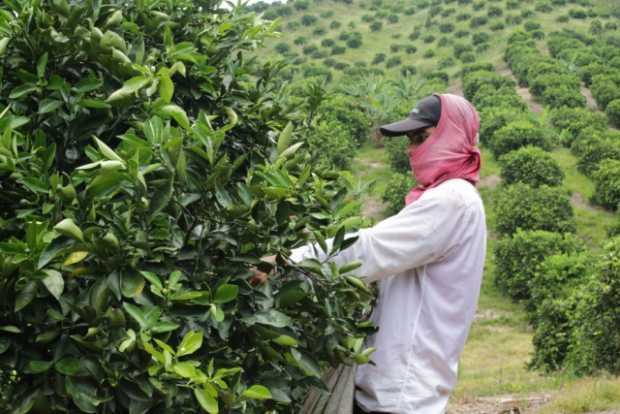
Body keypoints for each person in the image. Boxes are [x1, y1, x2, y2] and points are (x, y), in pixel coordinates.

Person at [253, 93, 487, 414]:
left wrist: (286, 260)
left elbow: (370, 250)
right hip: (396, 390)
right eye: (409, 140)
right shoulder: (445, 198)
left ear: (454, 134)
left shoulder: (451, 201)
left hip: (401, 395)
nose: (411, 149)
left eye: (420, 137)